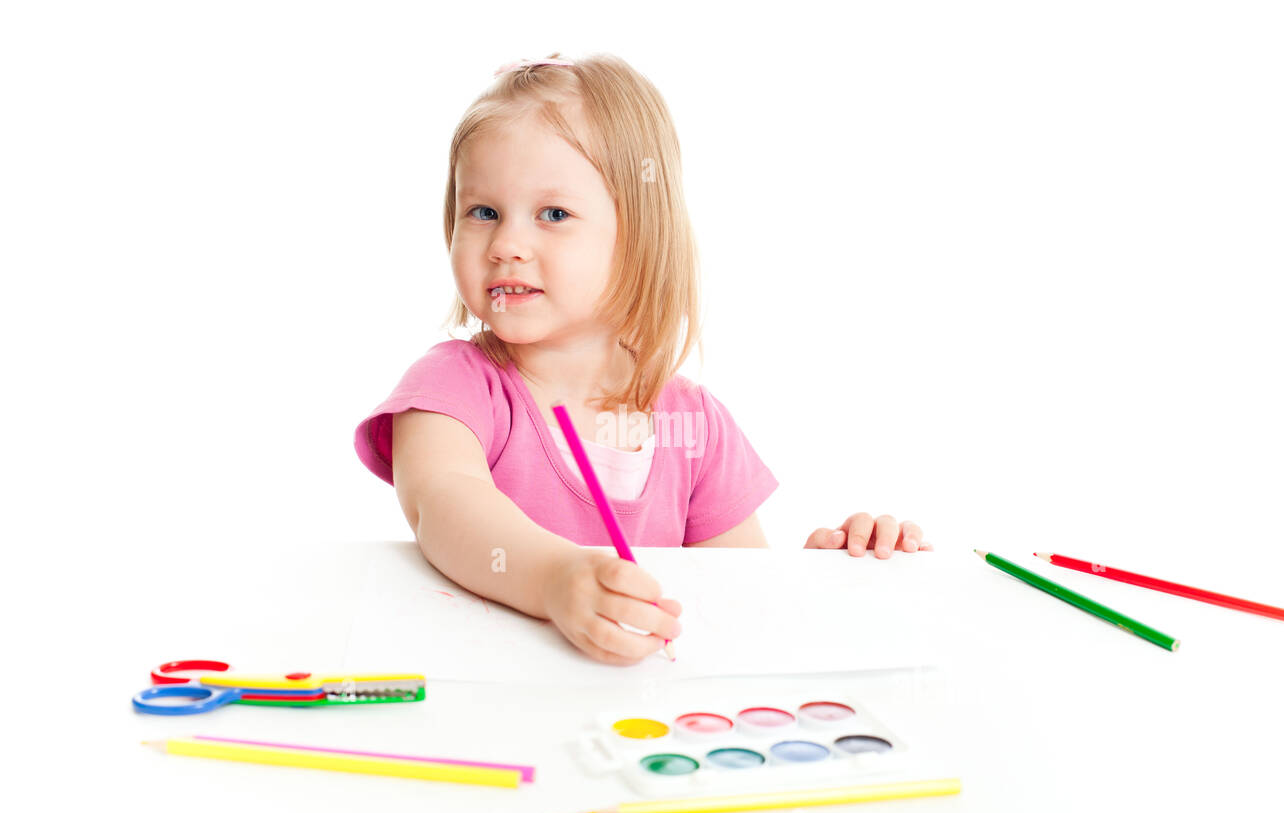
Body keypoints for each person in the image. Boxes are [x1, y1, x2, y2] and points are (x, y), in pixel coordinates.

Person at [355, 53, 931, 665]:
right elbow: (445, 506)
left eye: (554, 215)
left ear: (638, 238)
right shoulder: (453, 388)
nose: (506, 245)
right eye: (483, 212)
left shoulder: (696, 425)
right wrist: (554, 580)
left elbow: (737, 600)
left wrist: (824, 576)